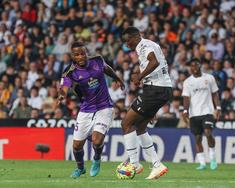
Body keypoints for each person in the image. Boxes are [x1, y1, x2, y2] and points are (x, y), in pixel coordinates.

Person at [58, 41, 124, 178]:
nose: (81, 57)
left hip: (104, 107)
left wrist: (117, 78)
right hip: (86, 109)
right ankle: (80, 168)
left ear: (86, 52)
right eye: (77, 55)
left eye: (83, 53)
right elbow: (64, 87)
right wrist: (62, 95)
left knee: (97, 140)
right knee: (76, 146)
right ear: (73, 56)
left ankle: (97, 160)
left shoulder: (97, 60)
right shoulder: (70, 72)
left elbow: (107, 69)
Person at [121, 26, 172, 179]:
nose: (126, 44)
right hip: (161, 89)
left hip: (156, 89)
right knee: (140, 126)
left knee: (126, 123)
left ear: (136, 36)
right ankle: (156, 164)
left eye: (127, 40)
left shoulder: (144, 45)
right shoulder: (147, 45)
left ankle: (135, 164)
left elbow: (154, 62)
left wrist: (140, 76)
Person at [182, 58, 221, 170]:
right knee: (198, 138)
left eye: (195, 65)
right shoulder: (187, 82)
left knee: (208, 133)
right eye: (191, 66)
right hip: (194, 114)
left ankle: (213, 158)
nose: (193, 68)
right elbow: (186, 98)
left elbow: (215, 94)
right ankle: (202, 163)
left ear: (200, 66)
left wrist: (218, 108)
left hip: (208, 111)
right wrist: (185, 111)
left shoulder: (209, 78)